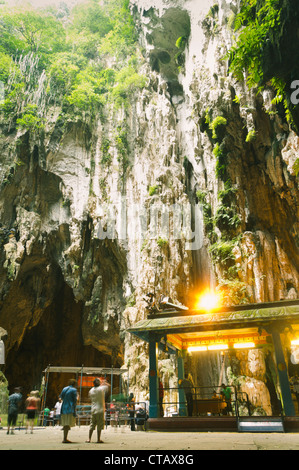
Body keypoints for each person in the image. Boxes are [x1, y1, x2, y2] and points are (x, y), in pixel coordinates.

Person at [86, 377, 107, 443]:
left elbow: (89, 397)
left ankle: (89, 439)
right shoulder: (101, 389)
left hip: (93, 409)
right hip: (100, 409)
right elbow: (107, 387)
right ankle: (98, 439)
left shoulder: (91, 390)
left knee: (92, 424)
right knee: (99, 425)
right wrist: (104, 382)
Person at [60, 379, 78, 443]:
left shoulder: (64, 388)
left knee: (65, 424)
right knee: (67, 424)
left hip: (63, 407)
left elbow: (61, 397)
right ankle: (65, 439)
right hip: (70, 408)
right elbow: (75, 400)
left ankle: (65, 438)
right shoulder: (74, 390)